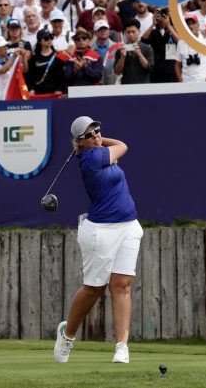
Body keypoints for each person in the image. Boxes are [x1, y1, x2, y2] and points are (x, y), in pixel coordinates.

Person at [54, 115, 143, 365]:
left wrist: (96, 140)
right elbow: (123, 146)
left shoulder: (97, 151)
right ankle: (67, 334)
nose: (96, 135)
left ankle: (121, 346)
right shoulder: (92, 158)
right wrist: (96, 144)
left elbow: (118, 146)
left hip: (128, 226)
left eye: (97, 130)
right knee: (94, 289)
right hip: (100, 231)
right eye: (89, 134)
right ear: (79, 142)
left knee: (122, 284)